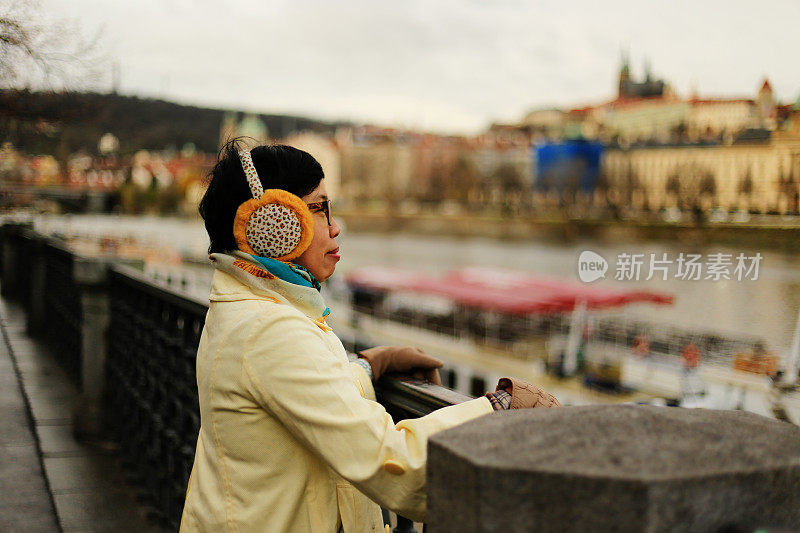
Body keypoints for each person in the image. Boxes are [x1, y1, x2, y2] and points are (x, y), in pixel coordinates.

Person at [180, 139, 560, 532]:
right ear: (272, 225)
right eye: (319, 208)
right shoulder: (271, 330)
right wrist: (496, 408)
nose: (335, 226)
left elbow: (301, 397)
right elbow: (393, 463)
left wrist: (365, 367)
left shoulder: (247, 308)